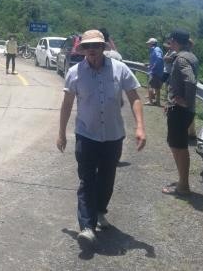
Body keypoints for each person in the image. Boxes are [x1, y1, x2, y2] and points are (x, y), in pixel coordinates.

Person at [56, 29, 146, 248]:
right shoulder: (75, 72)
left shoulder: (120, 69)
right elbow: (67, 104)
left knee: (106, 180)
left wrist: (140, 127)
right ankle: (87, 226)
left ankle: (99, 211)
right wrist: (61, 133)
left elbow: (134, 97)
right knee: (87, 180)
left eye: (96, 46)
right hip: (86, 135)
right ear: (83, 49)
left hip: (113, 135)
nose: (92, 50)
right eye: (87, 47)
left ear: (103, 47)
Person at [162, 29, 199, 196]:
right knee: (177, 145)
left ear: (174, 41)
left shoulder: (181, 59)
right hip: (181, 110)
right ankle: (182, 181)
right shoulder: (190, 55)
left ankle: (183, 186)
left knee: (179, 147)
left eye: (170, 41)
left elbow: (190, 81)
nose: (170, 44)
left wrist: (183, 101)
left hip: (180, 111)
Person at [145, 37, 164, 106]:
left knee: (150, 86)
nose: (148, 45)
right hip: (159, 72)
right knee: (157, 88)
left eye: (149, 43)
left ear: (152, 43)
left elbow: (159, 59)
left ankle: (151, 102)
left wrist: (153, 67)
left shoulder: (156, 50)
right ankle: (158, 102)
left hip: (154, 72)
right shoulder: (157, 49)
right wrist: (150, 64)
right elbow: (157, 59)